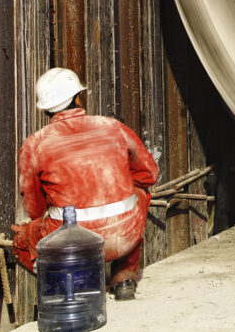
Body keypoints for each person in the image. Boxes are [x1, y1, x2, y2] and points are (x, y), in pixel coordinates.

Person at [12, 67, 159, 300]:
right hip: (123, 237)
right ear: (78, 98)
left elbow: (33, 207)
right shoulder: (113, 127)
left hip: (70, 244)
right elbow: (149, 175)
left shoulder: (34, 145)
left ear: (45, 109)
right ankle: (124, 279)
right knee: (139, 194)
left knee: (21, 240)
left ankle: (69, 284)